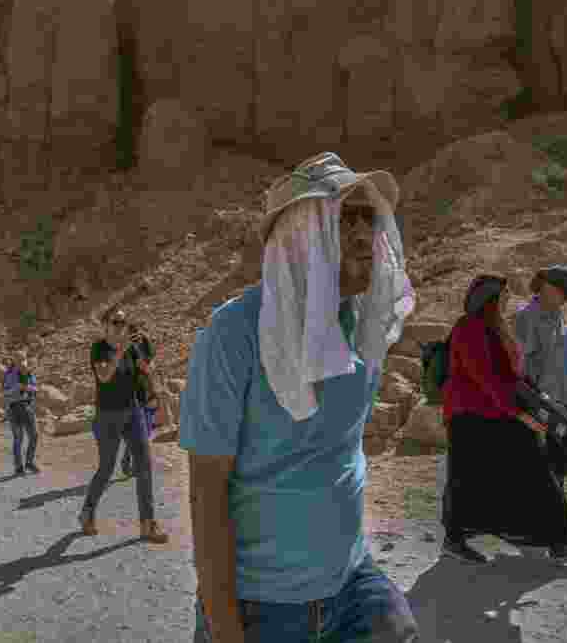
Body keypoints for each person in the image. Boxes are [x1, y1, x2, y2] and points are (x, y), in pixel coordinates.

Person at [182, 152, 420, 643]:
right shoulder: (234, 334)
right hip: (263, 606)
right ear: (300, 237)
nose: (363, 234)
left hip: (351, 583)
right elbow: (207, 495)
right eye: (343, 218)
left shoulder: (363, 327)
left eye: (368, 218)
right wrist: (227, 631)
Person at [439, 274, 567, 564]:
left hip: (496, 413)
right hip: (473, 418)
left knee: (556, 458)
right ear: (489, 298)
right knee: (472, 479)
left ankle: (540, 529)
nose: (508, 298)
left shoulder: (495, 327)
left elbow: (511, 376)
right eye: (503, 294)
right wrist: (520, 415)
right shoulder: (470, 328)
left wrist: (537, 401)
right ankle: (559, 538)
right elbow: (487, 380)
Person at [513, 265, 567, 540]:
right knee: (554, 463)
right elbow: (522, 367)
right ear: (548, 287)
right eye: (566, 293)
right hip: (548, 404)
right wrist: (538, 404)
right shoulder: (528, 318)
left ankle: (560, 523)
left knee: (560, 463)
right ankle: (551, 526)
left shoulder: (558, 314)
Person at [79, 307, 169, 544]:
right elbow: (105, 376)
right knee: (106, 469)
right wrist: (121, 351)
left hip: (134, 411)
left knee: (145, 466)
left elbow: (146, 372)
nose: (121, 327)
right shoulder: (100, 347)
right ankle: (88, 511)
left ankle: (148, 524)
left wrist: (145, 365)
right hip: (107, 415)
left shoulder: (131, 348)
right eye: (116, 322)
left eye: (124, 322)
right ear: (105, 325)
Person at [121, 324, 159, 477]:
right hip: (133, 395)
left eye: (138, 336)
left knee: (147, 430)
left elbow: (149, 367)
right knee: (139, 431)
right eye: (133, 337)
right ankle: (133, 462)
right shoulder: (125, 351)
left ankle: (127, 458)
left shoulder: (145, 345)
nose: (136, 339)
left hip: (147, 393)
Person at [4, 350, 40, 475]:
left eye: (23, 359)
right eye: (18, 359)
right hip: (14, 409)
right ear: (14, 361)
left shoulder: (29, 373)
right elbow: (5, 393)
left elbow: (35, 388)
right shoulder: (9, 374)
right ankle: (18, 466)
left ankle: (29, 462)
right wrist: (16, 388)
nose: (21, 362)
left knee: (34, 435)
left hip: (28, 407)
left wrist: (28, 388)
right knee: (18, 438)